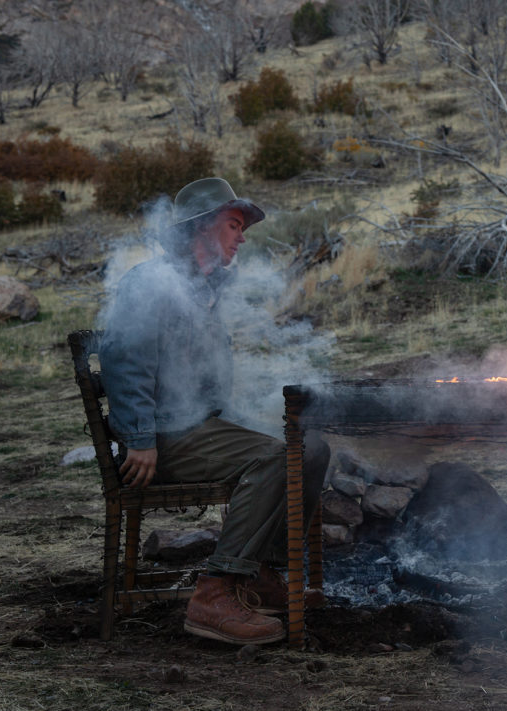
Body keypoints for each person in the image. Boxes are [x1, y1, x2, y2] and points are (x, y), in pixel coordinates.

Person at [99, 177, 328, 646]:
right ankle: (215, 590)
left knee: (312, 448)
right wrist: (141, 438)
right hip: (164, 439)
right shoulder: (151, 282)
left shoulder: (202, 290)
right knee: (273, 457)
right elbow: (124, 360)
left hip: (194, 427)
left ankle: (257, 573)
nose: (241, 237)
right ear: (202, 227)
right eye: (233, 224)